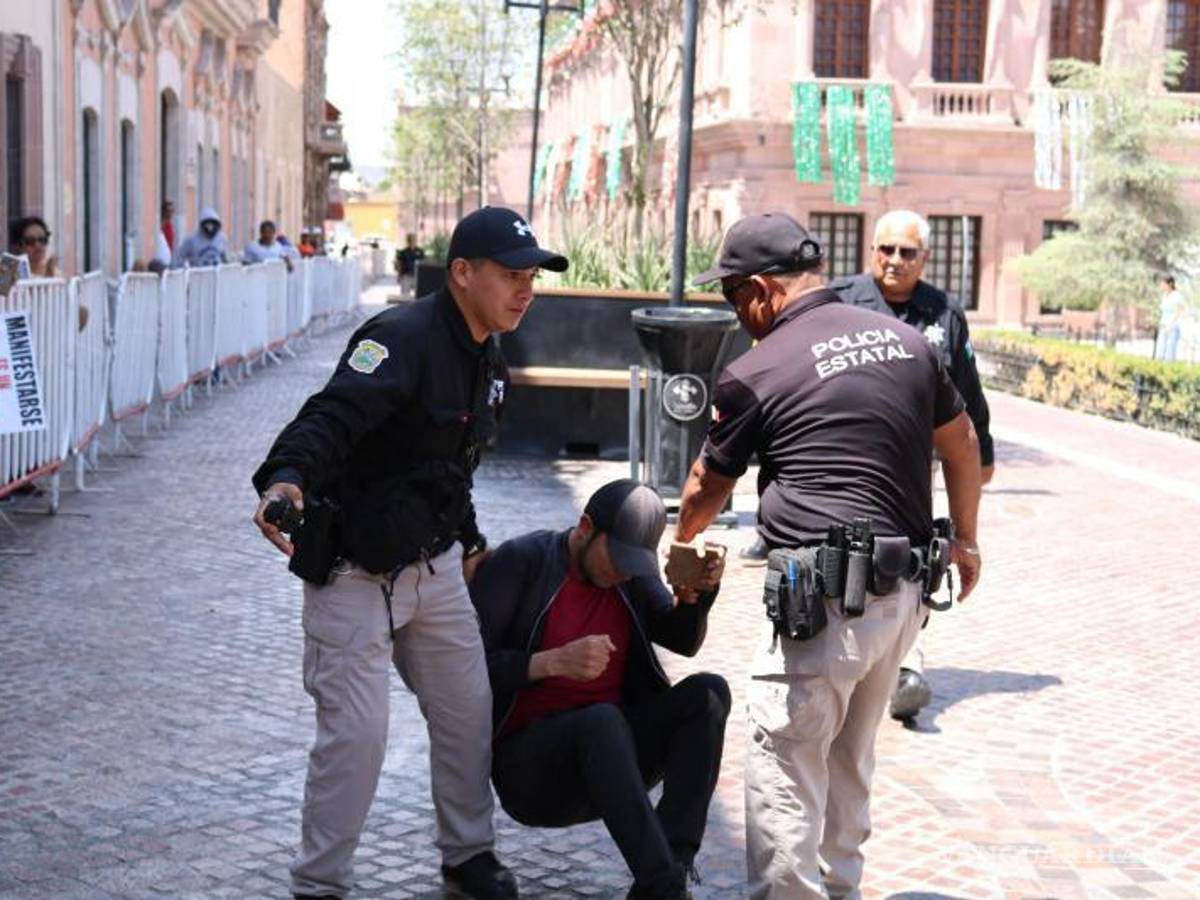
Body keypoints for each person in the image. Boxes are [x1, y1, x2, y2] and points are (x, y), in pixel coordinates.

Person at [251, 206, 568, 900]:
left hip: (435, 565)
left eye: (532, 277)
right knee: (358, 738)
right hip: (353, 573)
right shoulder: (400, 337)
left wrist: (472, 540)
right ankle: (319, 884)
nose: (526, 289)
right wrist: (287, 476)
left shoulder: (489, 357)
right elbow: (330, 415)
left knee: (468, 713)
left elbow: (449, 465)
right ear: (462, 273)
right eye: (512, 275)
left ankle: (468, 856)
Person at [678, 212, 982, 899]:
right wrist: (966, 540)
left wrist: (680, 541)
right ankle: (841, 888)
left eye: (731, 297)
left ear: (760, 290)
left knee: (786, 765)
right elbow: (962, 441)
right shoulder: (906, 342)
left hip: (821, 611)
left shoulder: (758, 368)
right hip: (902, 600)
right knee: (849, 760)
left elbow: (704, 488)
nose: (736, 314)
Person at [469, 480, 731, 900]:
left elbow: (682, 639)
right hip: (532, 772)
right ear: (586, 527)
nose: (624, 572)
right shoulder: (522, 562)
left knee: (709, 695)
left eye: (634, 563)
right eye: (619, 558)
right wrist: (550, 661)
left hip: (615, 762)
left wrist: (696, 599)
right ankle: (664, 888)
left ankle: (670, 870)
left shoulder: (627, 577)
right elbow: (465, 671)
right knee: (600, 720)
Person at [833, 209, 994, 721]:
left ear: (924, 258)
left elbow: (967, 390)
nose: (895, 260)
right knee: (843, 556)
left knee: (916, 559)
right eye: (886, 250)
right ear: (872, 251)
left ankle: (905, 665)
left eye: (907, 252)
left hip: (912, 461)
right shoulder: (841, 302)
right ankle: (849, 660)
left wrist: (981, 452)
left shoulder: (943, 312)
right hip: (846, 455)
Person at [1158, 275, 1185, 362]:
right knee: (1160, 349)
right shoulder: (1164, 296)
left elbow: (1179, 311)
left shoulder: (1176, 295)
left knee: (1170, 350)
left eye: (1163, 283)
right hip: (1163, 325)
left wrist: (1170, 324)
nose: (1161, 285)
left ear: (1170, 284)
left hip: (1172, 326)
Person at [395, 233, 426, 299]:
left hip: (417, 276)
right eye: (411, 240)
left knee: (418, 296)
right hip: (406, 276)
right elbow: (399, 264)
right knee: (405, 296)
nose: (412, 241)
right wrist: (399, 276)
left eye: (414, 240)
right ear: (408, 241)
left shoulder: (420, 251)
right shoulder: (403, 252)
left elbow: (423, 264)